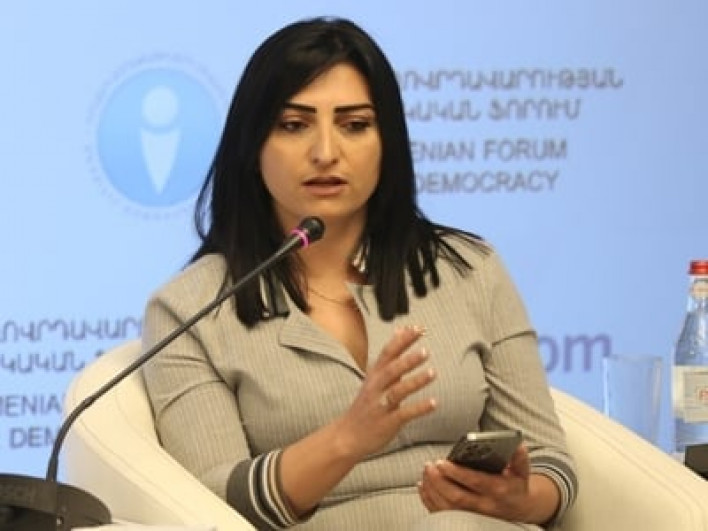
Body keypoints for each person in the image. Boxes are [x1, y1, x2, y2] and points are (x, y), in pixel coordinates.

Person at [141, 16, 577, 531]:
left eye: (354, 125)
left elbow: (550, 461)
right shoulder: (191, 309)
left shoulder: (470, 270)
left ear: (387, 142)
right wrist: (347, 438)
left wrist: (517, 500)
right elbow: (207, 505)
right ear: (251, 145)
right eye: (294, 125)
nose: (326, 153)